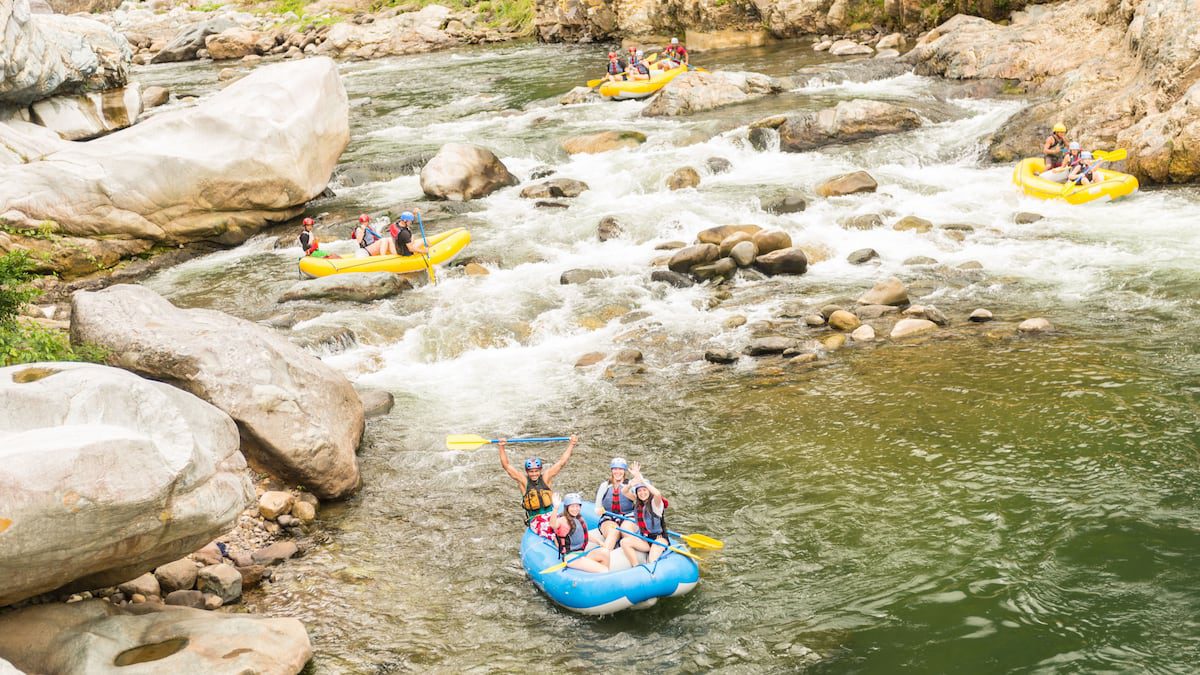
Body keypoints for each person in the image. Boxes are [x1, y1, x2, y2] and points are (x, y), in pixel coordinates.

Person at [498, 435, 577, 538]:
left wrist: (571, 444)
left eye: (536, 471)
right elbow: (506, 466)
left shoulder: (546, 478)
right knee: (555, 532)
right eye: (531, 472)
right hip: (536, 519)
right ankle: (562, 548)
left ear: (540, 470)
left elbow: (561, 463)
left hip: (551, 515)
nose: (534, 474)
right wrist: (501, 447)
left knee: (569, 526)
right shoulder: (523, 481)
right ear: (527, 472)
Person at [618, 462, 671, 567]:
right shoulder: (638, 501)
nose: (642, 493)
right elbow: (624, 492)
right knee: (624, 542)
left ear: (649, 490)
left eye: (644, 490)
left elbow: (657, 494)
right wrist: (630, 484)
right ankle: (635, 566)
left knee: (651, 560)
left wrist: (641, 480)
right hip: (645, 540)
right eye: (639, 491)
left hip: (659, 539)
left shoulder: (656, 503)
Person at [548, 493, 611, 573]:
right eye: (572, 506)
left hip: (582, 554)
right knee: (603, 570)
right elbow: (552, 524)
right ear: (567, 508)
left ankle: (603, 579)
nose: (575, 509)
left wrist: (599, 542)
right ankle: (603, 575)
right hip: (571, 557)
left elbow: (584, 535)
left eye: (577, 506)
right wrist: (556, 508)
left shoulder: (579, 518)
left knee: (605, 552)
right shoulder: (563, 520)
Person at [593, 457, 636, 551]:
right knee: (613, 531)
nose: (618, 472)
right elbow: (597, 507)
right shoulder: (604, 486)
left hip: (628, 516)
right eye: (615, 469)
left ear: (624, 471)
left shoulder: (630, 484)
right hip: (609, 517)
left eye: (620, 469)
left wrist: (637, 477)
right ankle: (604, 554)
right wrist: (599, 511)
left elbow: (641, 500)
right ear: (612, 470)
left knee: (626, 530)